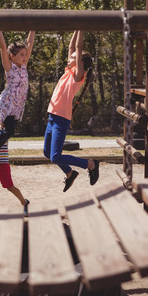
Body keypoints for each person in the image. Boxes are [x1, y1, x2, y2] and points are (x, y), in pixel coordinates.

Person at [43, 30, 99, 192]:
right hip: (52, 117)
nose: (69, 58)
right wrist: (75, 27)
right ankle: (69, 173)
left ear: (80, 63)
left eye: (73, 57)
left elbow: (78, 46)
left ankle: (90, 164)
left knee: (56, 156)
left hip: (61, 120)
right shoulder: (68, 72)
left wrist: (81, 27)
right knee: (48, 153)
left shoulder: (77, 76)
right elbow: (71, 46)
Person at [0, 30, 35, 170]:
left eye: (25, 54)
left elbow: (30, 44)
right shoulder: (10, 68)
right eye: (21, 55)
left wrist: (33, 28)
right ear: (12, 56)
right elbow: (2, 47)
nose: (24, 57)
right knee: (9, 132)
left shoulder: (24, 66)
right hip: (8, 104)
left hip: (17, 105)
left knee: (8, 132)